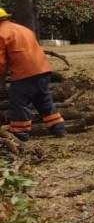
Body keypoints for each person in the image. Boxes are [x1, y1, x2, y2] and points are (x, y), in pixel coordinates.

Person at [0, 8, 66, 141]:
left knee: (19, 103)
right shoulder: (22, 29)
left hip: (24, 73)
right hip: (42, 69)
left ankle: (20, 134)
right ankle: (59, 128)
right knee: (44, 100)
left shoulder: (1, 33)